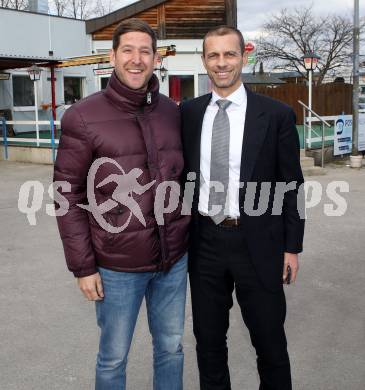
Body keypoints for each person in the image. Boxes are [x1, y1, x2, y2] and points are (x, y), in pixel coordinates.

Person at [54, 19, 189, 390]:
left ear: (156, 58)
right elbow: (67, 195)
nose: (136, 59)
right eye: (127, 50)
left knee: (171, 349)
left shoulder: (171, 112)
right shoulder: (83, 116)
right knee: (113, 359)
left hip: (172, 262)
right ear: (112, 56)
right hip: (116, 267)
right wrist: (83, 267)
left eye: (145, 51)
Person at [180, 25, 305, 390]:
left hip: (260, 244)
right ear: (204, 60)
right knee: (209, 344)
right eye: (213, 55)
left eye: (230, 54)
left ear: (243, 57)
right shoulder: (187, 113)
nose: (222, 63)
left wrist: (291, 247)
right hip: (204, 243)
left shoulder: (276, 114)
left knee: (270, 345)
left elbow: (291, 185)